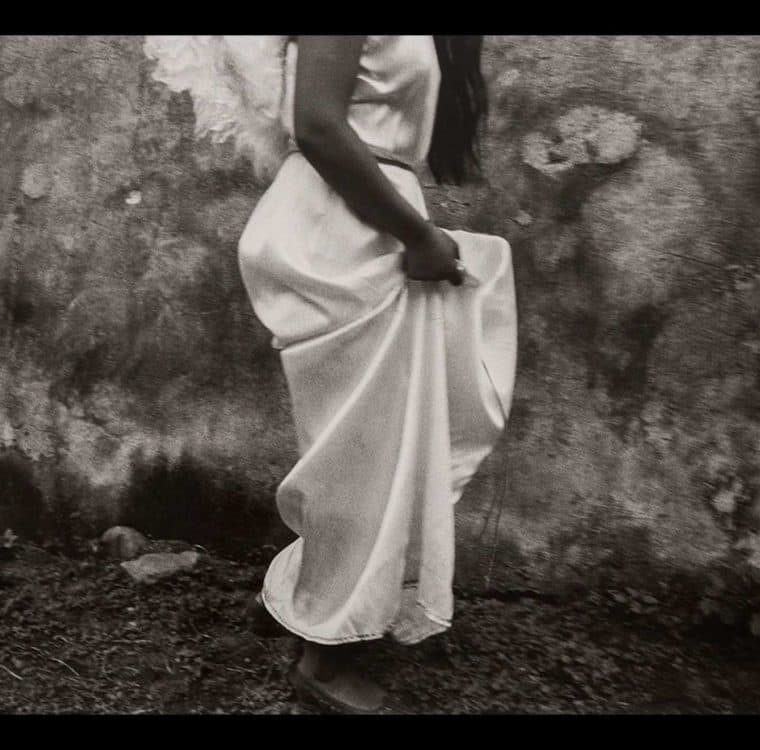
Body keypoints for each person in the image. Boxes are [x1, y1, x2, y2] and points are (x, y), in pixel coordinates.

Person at [236, 35, 518, 714]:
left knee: (363, 448)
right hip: (343, 232)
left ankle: (309, 595)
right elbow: (320, 126)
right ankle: (325, 659)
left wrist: (414, 231)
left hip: (363, 222)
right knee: (365, 457)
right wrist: (418, 237)